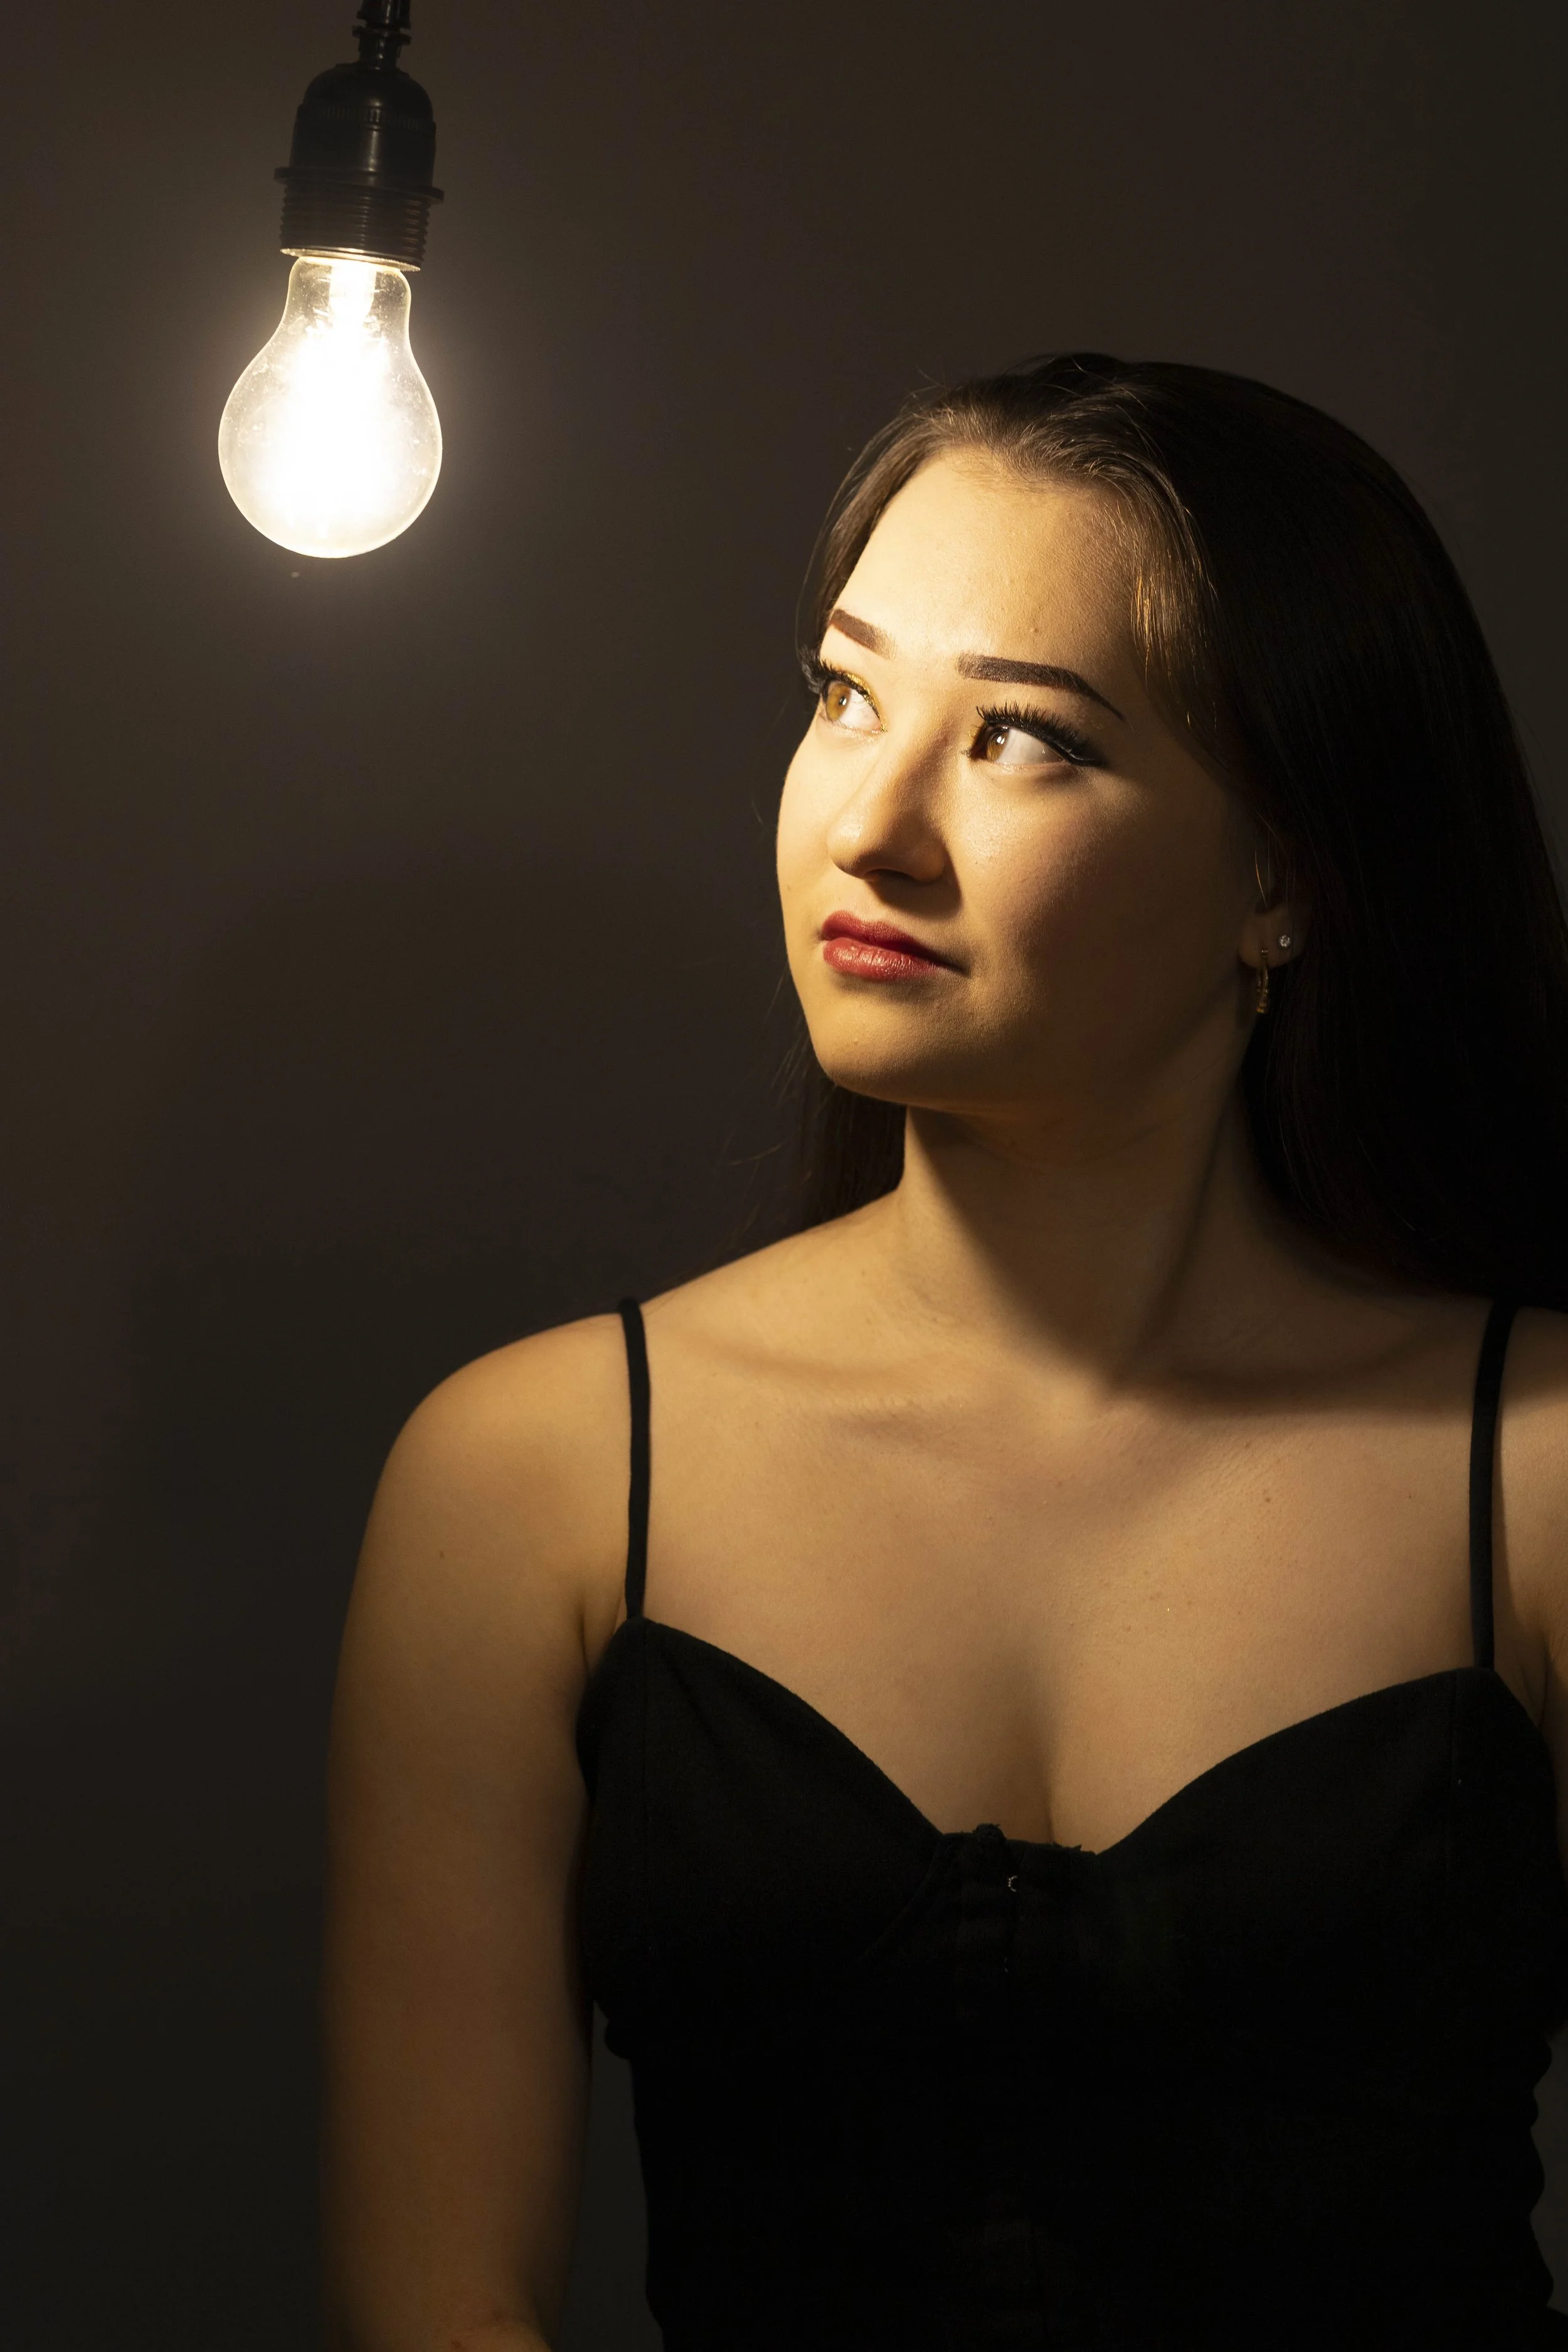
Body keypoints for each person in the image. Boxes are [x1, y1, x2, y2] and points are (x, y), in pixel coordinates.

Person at [322, 354, 1568, 2349]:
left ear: (1282, 878)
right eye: (842, 695)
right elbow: (435, 2307)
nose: (872, 825)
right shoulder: (532, 1480)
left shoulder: (1534, 1473)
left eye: (1022, 740)